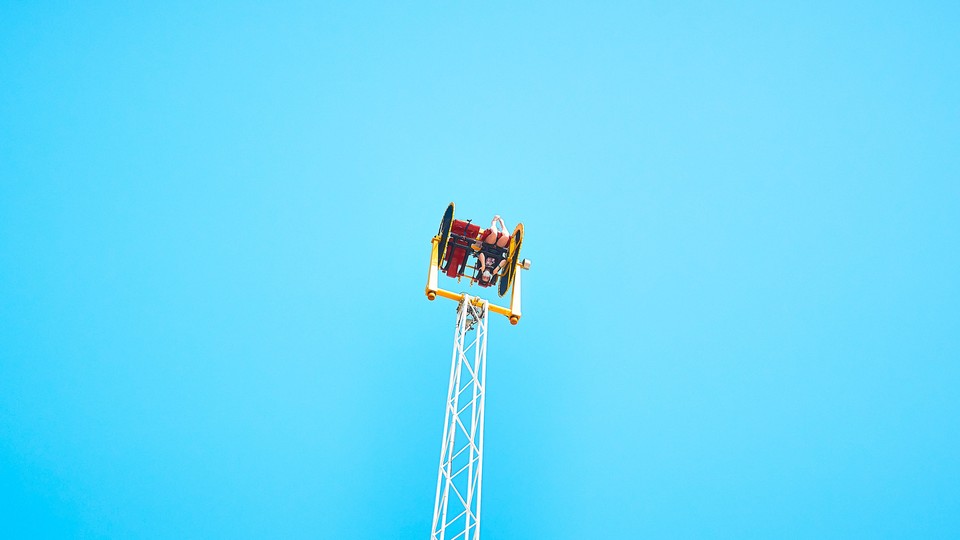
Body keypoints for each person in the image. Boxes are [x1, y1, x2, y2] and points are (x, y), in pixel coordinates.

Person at [473, 215, 510, 286]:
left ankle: (494, 222)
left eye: (484, 277)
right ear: (490, 277)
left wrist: (483, 265)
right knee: (506, 237)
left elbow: (481, 255)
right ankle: (502, 224)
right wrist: (497, 268)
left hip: (488, 246)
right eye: (487, 278)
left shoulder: (480, 268)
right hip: (498, 249)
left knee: (494, 234)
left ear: (482, 275)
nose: (486, 276)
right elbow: (504, 261)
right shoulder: (494, 271)